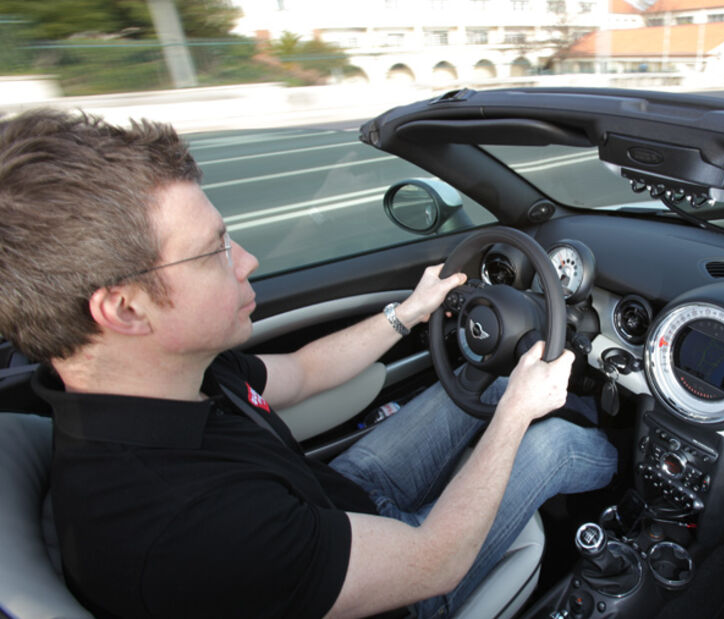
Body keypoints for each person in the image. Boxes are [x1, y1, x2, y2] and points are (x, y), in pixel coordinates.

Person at [0, 109, 619, 618]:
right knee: (554, 440)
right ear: (125, 310)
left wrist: (408, 312)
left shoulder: (164, 373)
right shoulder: (187, 528)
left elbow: (301, 371)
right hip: (401, 587)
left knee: (498, 381)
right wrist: (515, 419)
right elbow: (435, 561)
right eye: (214, 251)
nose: (247, 261)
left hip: (341, 500)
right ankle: (651, 485)